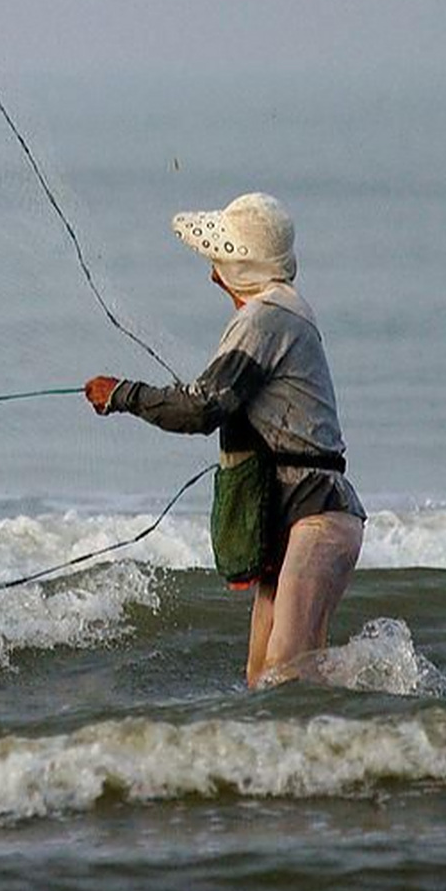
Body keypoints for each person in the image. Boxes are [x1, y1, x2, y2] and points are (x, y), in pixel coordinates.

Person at [83, 192, 364, 688]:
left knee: (287, 672)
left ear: (242, 266)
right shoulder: (277, 311)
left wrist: (122, 394)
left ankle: (383, 712)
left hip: (318, 516)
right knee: (261, 678)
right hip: (295, 517)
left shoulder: (267, 317)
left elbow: (203, 407)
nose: (213, 272)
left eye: (220, 261)